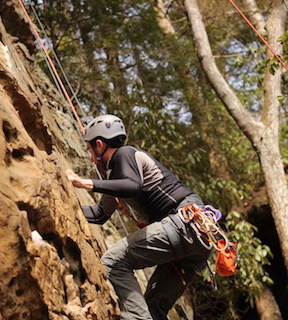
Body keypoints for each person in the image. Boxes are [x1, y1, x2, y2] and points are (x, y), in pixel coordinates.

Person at [66, 114, 211, 320]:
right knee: (154, 308)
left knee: (114, 261)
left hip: (183, 222)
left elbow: (132, 186)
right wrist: (67, 204)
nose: (90, 158)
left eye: (90, 151)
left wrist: (84, 182)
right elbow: (99, 215)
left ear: (99, 145)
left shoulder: (125, 154)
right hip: (197, 239)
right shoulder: (118, 178)